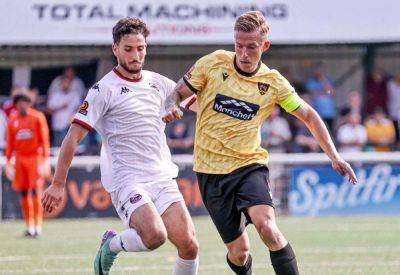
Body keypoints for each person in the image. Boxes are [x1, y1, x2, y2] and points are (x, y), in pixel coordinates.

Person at [164, 11, 358, 275]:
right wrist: (171, 105)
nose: (244, 53)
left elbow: (309, 116)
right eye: (239, 45)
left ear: (264, 46)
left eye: (251, 47)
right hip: (210, 172)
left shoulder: (273, 83)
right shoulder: (213, 63)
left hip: (249, 165)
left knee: (268, 228)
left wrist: (334, 156)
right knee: (239, 252)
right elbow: (177, 92)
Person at [41, 17, 199, 275]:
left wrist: (178, 108)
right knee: (154, 236)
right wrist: (58, 184)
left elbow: (194, 103)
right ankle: (110, 245)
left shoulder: (158, 82)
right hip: (127, 179)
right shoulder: (103, 89)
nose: (136, 55)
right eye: (128, 49)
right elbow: (72, 137)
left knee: (189, 245)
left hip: (161, 175)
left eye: (141, 48)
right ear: (115, 48)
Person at [5, 93, 50, 237]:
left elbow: (44, 140)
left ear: (29, 103)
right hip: (19, 159)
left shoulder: (37, 117)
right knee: (23, 192)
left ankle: (38, 225)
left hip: (34, 158)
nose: (22, 105)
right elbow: (10, 143)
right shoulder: (12, 119)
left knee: (36, 190)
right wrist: (8, 162)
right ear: (16, 104)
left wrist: (45, 160)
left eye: (25, 102)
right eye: (19, 102)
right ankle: (29, 226)